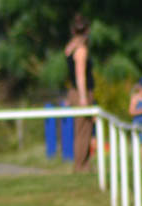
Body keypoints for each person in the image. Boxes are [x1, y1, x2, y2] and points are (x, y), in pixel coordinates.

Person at [65, 13, 94, 173]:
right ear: (87, 30)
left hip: (73, 91)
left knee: (80, 129)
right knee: (84, 129)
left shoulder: (70, 48)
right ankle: (81, 165)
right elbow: (80, 75)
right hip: (81, 92)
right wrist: (83, 98)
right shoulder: (81, 50)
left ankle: (81, 163)